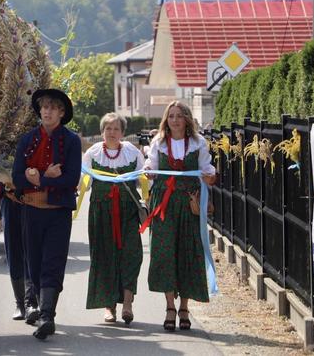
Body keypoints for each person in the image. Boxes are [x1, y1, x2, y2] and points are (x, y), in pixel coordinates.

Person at [12, 88, 81, 340]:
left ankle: (47, 315)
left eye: (53, 107)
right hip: (31, 210)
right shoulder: (27, 140)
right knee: (35, 261)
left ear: (62, 113)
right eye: (45, 107)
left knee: (53, 261)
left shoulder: (72, 141)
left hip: (58, 211)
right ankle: (41, 308)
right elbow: (17, 177)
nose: (48, 111)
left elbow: (71, 178)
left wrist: (38, 178)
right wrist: (44, 177)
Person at [142, 101, 216, 331]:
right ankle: (169, 307)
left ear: (186, 119)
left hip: (187, 204)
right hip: (163, 205)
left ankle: (184, 307)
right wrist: (149, 172)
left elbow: (208, 171)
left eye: (179, 116)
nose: (175, 120)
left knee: (187, 252)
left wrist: (209, 176)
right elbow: (150, 169)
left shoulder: (197, 143)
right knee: (164, 253)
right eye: (171, 116)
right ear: (166, 119)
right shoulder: (158, 143)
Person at [83, 112, 145, 325]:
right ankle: (109, 307)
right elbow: (84, 183)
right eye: (108, 128)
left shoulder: (132, 153)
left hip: (128, 210)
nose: (112, 132)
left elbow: (144, 179)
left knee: (131, 254)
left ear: (123, 133)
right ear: (102, 132)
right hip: (101, 211)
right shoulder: (92, 154)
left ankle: (127, 303)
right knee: (105, 256)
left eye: (116, 128)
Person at [0, 184, 39, 322]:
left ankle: (31, 302)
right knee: (13, 250)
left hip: (34, 198)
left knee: (32, 251)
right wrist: (6, 190)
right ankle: (20, 303)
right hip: (10, 200)